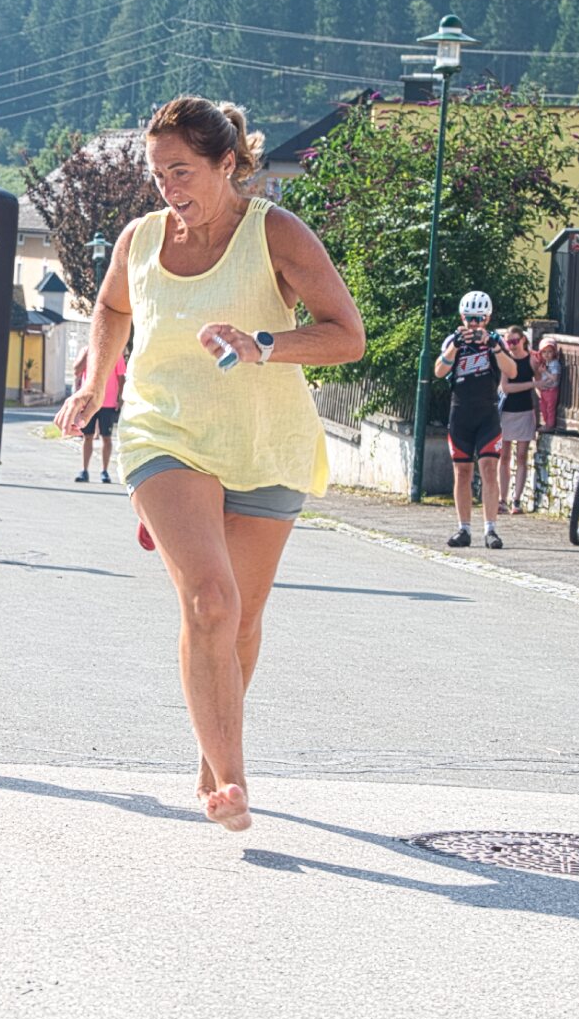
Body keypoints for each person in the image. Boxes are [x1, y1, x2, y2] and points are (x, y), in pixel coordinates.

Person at [56, 95, 365, 832]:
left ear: (227, 164)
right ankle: (232, 781)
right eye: (159, 173)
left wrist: (264, 344)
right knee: (211, 601)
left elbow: (346, 335)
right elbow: (112, 307)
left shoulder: (276, 233)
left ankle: (210, 754)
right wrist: (95, 380)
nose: (169, 187)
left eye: (183, 171)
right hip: (163, 433)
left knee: (242, 621)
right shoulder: (139, 239)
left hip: (264, 439)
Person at [434, 290, 515, 548]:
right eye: (470, 318)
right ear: (462, 317)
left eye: (479, 319)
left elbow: (512, 370)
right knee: (462, 472)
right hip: (461, 414)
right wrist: (456, 346)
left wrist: (493, 346)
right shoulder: (453, 340)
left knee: (489, 469)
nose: (474, 324)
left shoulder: (495, 340)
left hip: (487, 414)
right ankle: (464, 528)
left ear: (487, 319)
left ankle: (491, 529)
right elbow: (439, 371)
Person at [497, 323, 540, 513]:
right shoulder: (505, 360)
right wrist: (531, 385)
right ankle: (502, 499)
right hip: (506, 411)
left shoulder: (532, 360)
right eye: (509, 342)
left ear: (523, 340)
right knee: (504, 456)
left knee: (522, 456)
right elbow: (505, 387)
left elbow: (541, 381)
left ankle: (517, 500)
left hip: (525, 411)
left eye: (515, 341)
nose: (512, 345)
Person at [73, 347, 125, 483]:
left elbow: (121, 377)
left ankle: (104, 471)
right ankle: (84, 471)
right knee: (87, 436)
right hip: (88, 402)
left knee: (106, 438)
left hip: (108, 402)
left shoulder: (115, 350)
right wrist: (87, 354)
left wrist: (121, 399)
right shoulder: (86, 351)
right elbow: (77, 371)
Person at [535, 335, 564, 431]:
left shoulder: (555, 364)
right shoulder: (544, 363)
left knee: (550, 409)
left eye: (549, 351)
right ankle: (546, 423)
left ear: (554, 352)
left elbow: (555, 378)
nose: (546, 354)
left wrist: (545, 372)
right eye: (544, 352)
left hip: (551, 390)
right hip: (544, 390)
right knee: (543, 408)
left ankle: (550, 425)